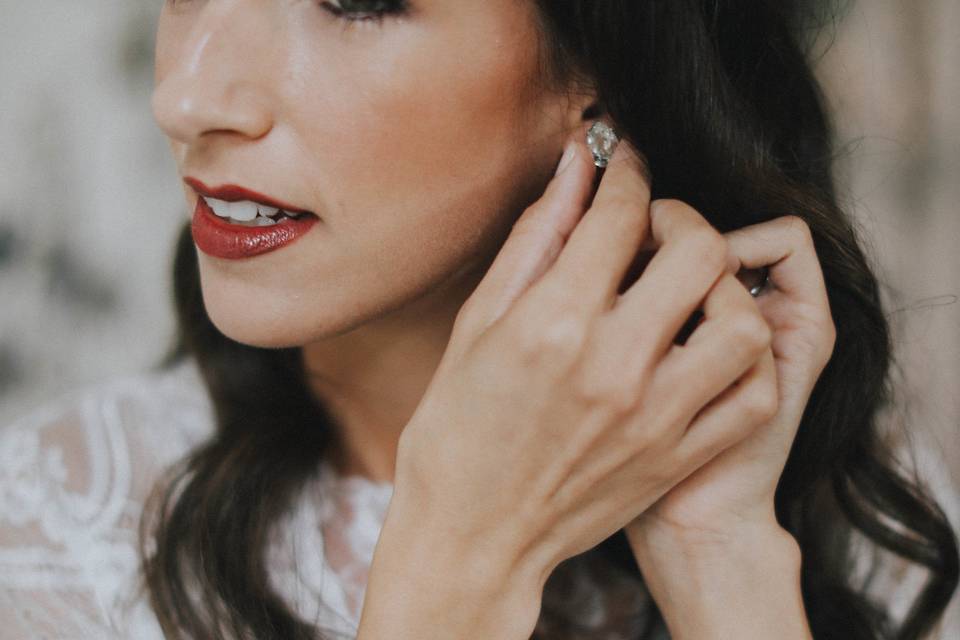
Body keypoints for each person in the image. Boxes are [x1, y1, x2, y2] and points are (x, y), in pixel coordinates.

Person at [1, 1, 957, 638]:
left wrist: (723, 560)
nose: (187, 95)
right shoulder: (51, 531)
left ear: (600, 59)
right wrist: (457, 561)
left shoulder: (845, 494)